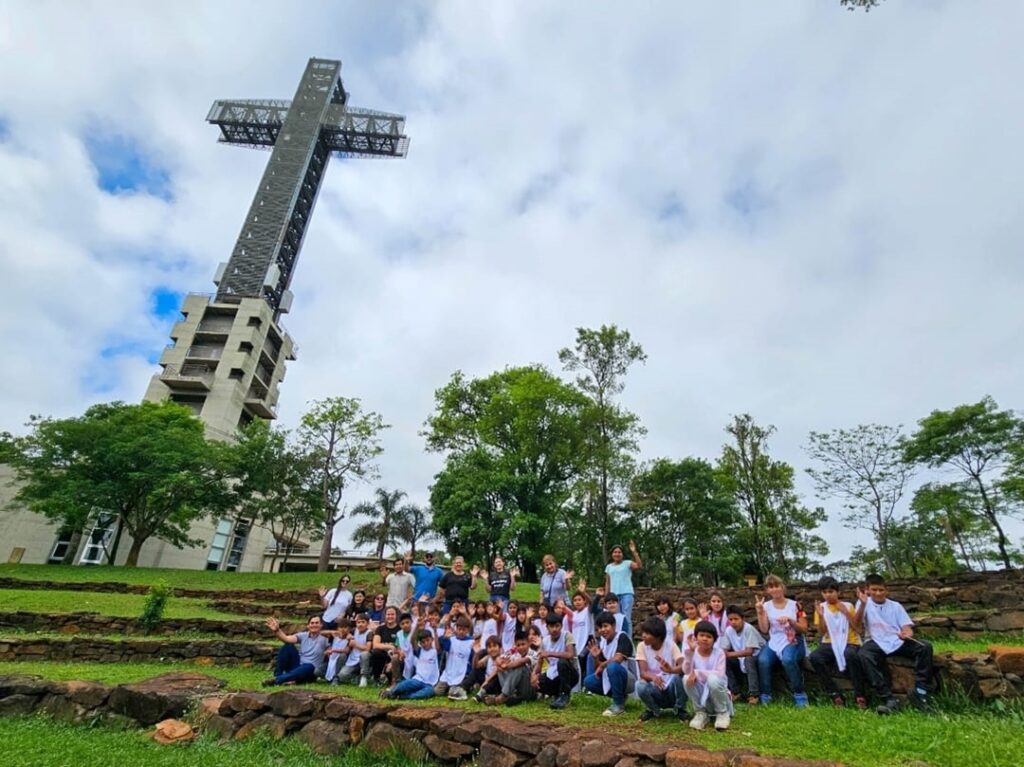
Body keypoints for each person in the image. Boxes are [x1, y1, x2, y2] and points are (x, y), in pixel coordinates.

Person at [854, 573, 934, 714]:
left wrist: (907, 634)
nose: (878, 593)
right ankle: (888, 699)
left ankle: (920, 691)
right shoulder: (863, 603)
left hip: (897, 640)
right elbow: (857, 626)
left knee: (925, 647)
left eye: (881, 590)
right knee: (864, 655)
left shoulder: (895, 606)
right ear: (867, 590)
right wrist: (863, 604)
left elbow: (907, 628)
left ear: (886, 590)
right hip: (875, 641)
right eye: (874, 590)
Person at [810, 576, 868, 709]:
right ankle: (834, 694)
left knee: (850, 655)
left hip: (850, 641)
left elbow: (857, 628)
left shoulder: (848, 606)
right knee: (815, 657)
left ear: (838, 592)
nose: (828, 595)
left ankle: (860, 695)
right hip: (830, 642)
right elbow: (822, 632)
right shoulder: (821, 608)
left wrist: (846, 613)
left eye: (831, 591)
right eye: (824, 592)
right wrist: (821, 616)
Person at [756, 574, 809, 708]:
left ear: (782, 587)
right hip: (775, 640)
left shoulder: (796, 605)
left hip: (793, 639)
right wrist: (760, 612)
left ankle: (800, 694)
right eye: (771, 587)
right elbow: (764, 629)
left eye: (777, 586)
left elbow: (804, 629)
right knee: (763, 660)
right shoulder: (766, 606)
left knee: (788, 660)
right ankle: (766, 695)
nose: (774, 589)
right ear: (767, 590)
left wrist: (791, 621)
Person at [583, 611, 636, 717]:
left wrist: (602, 665)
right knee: (588, 681)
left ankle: (618, 704)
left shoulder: (622, 637)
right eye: (599, 628)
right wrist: (596, 657)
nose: (602, 630)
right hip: (611, 676)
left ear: (614, 626)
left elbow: (617, 659)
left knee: (612, 667)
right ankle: (620, 697)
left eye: (605, 626)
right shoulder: (603, 642)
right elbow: (599, 668)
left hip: (628, 679)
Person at [682, 620, 732, 731]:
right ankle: (701, 713)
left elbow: (720, 674)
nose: (705, 639)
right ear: (696, 637)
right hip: (701, 694)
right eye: (702, 635)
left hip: (718, 695)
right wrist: (690, 653)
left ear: (714, 640)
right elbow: (686, 671)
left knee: (713, 679)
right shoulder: (693, 652)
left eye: (709, 636)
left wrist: (697, 673)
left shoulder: (719, 653)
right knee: (686, 678)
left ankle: (722, 713)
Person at [635, 616, 686, 723]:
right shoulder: (641, 646)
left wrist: (671, 670)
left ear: (658, 637)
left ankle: (680, 709)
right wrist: (653, 677)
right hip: (655, 689)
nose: (643, 635)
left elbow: (683, 665)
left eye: (647, 633)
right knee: (639, 685)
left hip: (671, 688)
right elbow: (643, 673)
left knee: (681, 676)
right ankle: (653, 709)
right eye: (643, 632)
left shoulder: (670, 645)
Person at [262, 616, 329, 687]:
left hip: (310, 671)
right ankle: (278, 675)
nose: (314, 625)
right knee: (288, 646)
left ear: (321, 625)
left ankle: (277, 680)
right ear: (308, 626)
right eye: (312, 623)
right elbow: (286, 639)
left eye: (316, 623)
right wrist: (277, 630)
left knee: (308, 666)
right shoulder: (303, 635)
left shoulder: (325, 639)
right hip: (298, 666)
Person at [531, 612, 579, 709]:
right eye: (551, 626)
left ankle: (565, 695)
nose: (554, 629)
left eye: (557, 626)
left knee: (562, 662)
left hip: (570, 674)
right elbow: (540, 661)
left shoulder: (567, 635)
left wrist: (550, 653)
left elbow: (570, 654)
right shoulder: (545, 641)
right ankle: (557, 695)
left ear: (561, 626)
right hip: (553, 673)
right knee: (538, 681)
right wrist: (533, 675)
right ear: (547, 627)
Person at [478, 634, 537, 706]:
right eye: (518, 645)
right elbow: (498, 659)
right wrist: (500, 664)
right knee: (499, 668)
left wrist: (506, 666)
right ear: (515, 645)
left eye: (523, 644)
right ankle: (508, 695)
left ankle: (502, 697)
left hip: (529, 688)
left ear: (528, 643)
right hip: (516, 689)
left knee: (520, 666)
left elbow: (521, 662)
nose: (521, 647)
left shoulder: (534, 654)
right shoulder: (513, 652)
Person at [380, 629, 439, 700]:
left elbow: (438, 647)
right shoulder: (419, 651)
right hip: (417, 680)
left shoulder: (436, 652)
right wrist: (417, 626)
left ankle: (401, 697)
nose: (426, 643)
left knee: (429, 692)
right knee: (404, 685)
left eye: (427, 640)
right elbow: (413, 640)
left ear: (432, 639)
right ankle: (390, 692)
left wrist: (435, 630)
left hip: (429, 684)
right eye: (423, 642)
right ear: (420, 643)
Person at [724, 604, 763, 705]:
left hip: (756, 656)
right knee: (725, 661)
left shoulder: (748, 629)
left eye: (736, 619)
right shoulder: (728, 630)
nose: (733, 622)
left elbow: (749, 651)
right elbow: (724, 650)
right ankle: (735, 692)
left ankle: (754, 694)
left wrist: (729, 654)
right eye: (730, 619)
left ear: (743, 619)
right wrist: (726, 654)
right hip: (740, 657)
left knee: (748, 660)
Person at [604, 541, 642, 637]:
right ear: (612, 554)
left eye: (619, 552)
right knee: (616, 618)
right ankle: (618, 639)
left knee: (626, 618)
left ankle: (627, 640)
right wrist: (606, 597)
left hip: (626, 594)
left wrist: (634, 552)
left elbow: (639, 566)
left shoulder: (627, 563)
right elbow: (608, 582)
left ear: (622, 554)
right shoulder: (609, 567)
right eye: (615, 552)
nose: (617, 554)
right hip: (614, 596)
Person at [435, 615, 476, 700]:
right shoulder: (451, 639)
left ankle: (465, 687)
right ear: (456, 629)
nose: (461, 632)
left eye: (464, 630)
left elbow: (472, 660)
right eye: (459, 629)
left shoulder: (471, 642)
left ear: (468, 630)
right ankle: (449, 687)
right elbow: (444, 647)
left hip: (461, 673)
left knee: (452, 692)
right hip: (449, 672)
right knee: (437, 691)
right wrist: (445, 638)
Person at [331, 613, 373, 686]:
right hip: (352, 659)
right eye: (358, 622)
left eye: (363, 622)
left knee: (364, 654)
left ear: (367, 623)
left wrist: (356, 644)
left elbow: (368, 648)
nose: (360, 624)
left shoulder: (369, 633)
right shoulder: (354, 631)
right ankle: (340, 677)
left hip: (364, 660)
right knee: (342, 675)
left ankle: (363, 678)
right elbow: (346, 644)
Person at [370, 606, 402, 684]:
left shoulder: (400, 629)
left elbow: (401, 646)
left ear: (396, 615)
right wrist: (390, 646)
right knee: (375, 652)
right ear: (385, 615)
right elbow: (375, 645)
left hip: (396, 655)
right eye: (388, 614)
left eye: (392, 614)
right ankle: (376, 678)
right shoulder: (380, 629)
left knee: (390, 672)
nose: (390, 616)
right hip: (383, 655)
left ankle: (392, 678)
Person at [407, 551, 444, 616]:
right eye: (427, 557)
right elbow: (406, 569)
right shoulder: (419, 568)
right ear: (424, 558)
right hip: (416, 601)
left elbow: (443, 586)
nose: (429, 558)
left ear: (434, 558)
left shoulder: (439, 571)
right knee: (414, 619)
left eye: (431, 557)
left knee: (427, 620)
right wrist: (406, 561)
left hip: (429, 603)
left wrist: (436, 598)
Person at [324, 618, 352, 683]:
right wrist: (331, 632)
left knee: (342, 656)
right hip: (331, 659)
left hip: (342, 661)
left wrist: (333, 650)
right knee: (317, 671)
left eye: (345, 627)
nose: (342, 629)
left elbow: (346, 651)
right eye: (340, 627)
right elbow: (320, 632)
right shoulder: (335, 637)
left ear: (349, 629)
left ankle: (336, 678)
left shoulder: (350, 638)